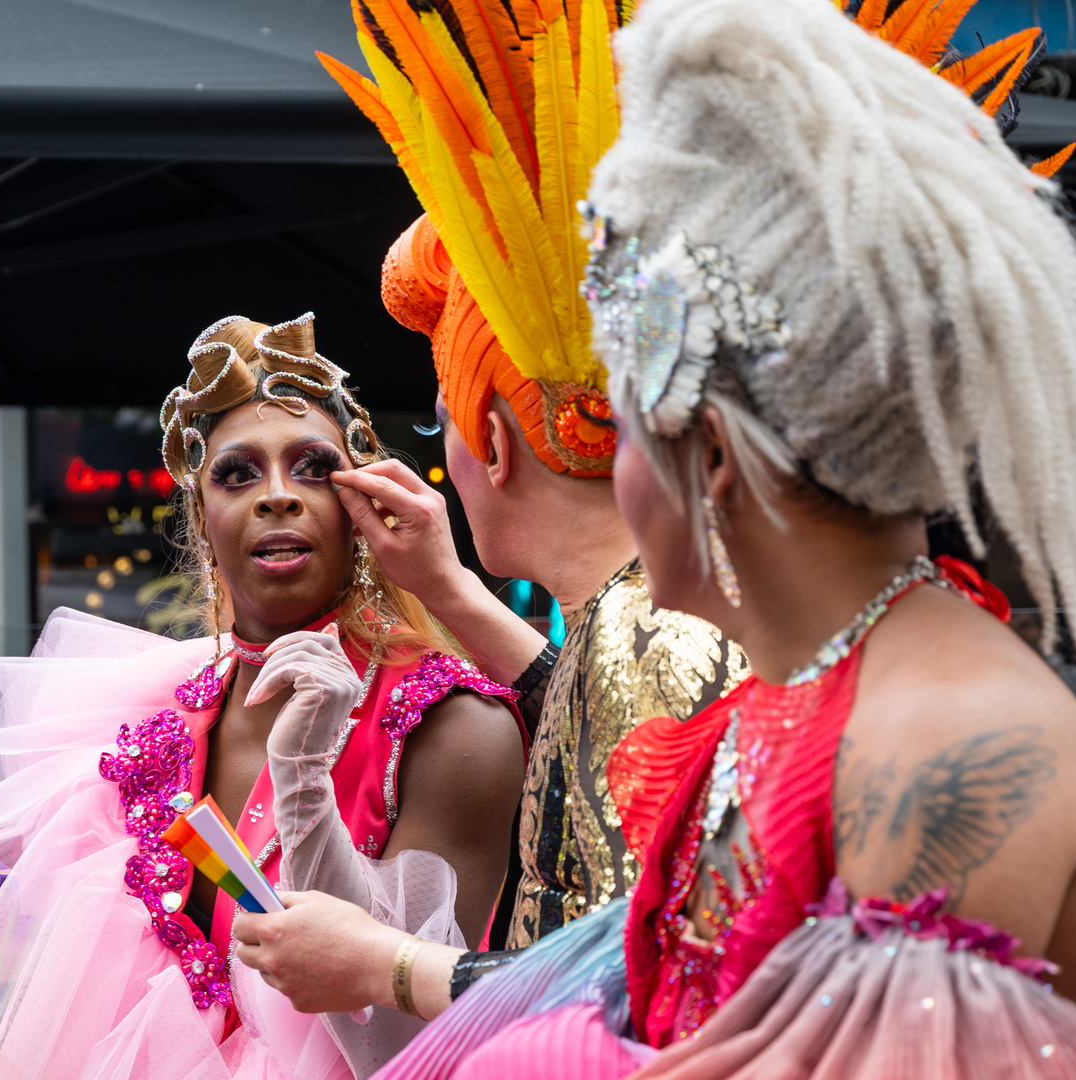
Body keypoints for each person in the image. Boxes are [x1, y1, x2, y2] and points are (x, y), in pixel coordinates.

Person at [281, 0, 1076, 1074]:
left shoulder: (942, 746)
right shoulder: (791, 707)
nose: (603, 472)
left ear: (714, 461)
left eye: (624, 431)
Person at [233, 0, 744, 1027]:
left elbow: (640, 990)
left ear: (496, 445)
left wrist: (383, 964)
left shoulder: (649, 637)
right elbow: (605, 731)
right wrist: (449, 588)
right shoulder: (630, 627)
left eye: (448, 429)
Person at [0, 313, 525, 1080]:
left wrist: (306, 787)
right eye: (236, 473)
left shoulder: (453, 726)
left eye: (313, 467)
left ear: (360, 509)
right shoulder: (141, 728)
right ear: (201, 516)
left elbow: (406, 1039)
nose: (276, 495)